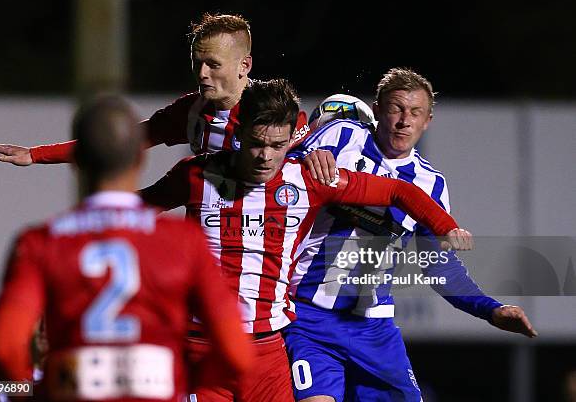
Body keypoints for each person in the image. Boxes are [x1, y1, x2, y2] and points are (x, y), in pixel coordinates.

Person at [140, 78, 474, 402]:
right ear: (238, 131)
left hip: (267, 352)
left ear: (291, 141)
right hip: (203, 346)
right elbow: (132, 209)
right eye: (257, 143)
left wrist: (446, 226)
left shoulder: (308, 180)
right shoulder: (197, 175)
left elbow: (398, 190)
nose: (266, 157)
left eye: (277, 146)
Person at [284, 68, 538, 402]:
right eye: (396, 109)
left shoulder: (431, 185)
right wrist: (301, 154)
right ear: (376, 111)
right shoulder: (341, 137)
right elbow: (276, 183)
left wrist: (489, 310)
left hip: (374, 329)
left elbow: (439, 267)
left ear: (427, 121)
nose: (404, 121)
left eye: (415, 112)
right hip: (309, 317)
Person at [0, 95, 253, 401]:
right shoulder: (185, 241)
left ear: (79, 164)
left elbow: (5, 346)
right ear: (140, 160)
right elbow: (236, 353)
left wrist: (35, 392)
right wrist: (181, 380)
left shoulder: (40, 243)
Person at [0, 13, 315, 169]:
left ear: (245, 65)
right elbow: (118, 143)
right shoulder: (190, 113)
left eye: (213, 64)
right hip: (213, 258)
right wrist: (35, 155)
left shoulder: (280, 115)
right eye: (197, 62)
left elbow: (314, 176)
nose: (201, 73)